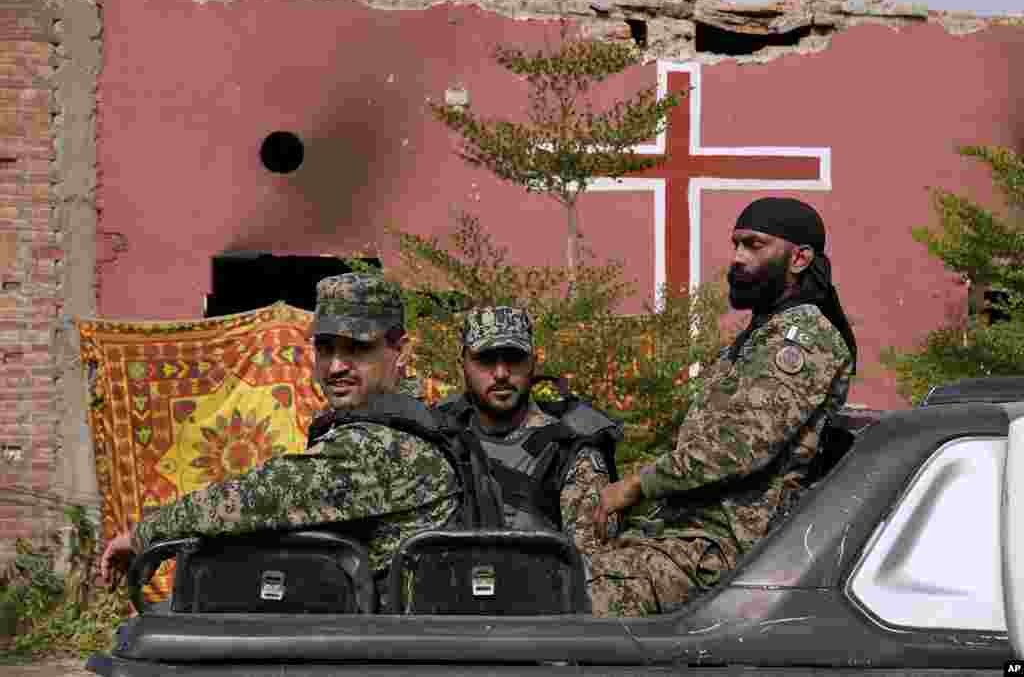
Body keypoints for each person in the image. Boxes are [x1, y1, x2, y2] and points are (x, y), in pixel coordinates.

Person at [98, 273, 464, 586]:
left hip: (381, 638)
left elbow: (255, 498)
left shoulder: (383, 445)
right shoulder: (409, 421)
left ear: (401, 351)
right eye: (325, 348)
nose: (336, 366)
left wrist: (145, 534)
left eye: (357, 348)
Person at [586, 196, 857, 617]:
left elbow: (738, 446)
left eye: (754, 245)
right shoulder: (761, 335)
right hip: (685, 533)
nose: (737, 258)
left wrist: (637, 484)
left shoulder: (803, 339)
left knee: (584, 600)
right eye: (736, 244)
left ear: (799, 258)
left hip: (733, 549)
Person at [437, 306, 622, 563]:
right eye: (486, 359)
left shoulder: (570, 451)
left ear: (533, 362)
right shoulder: (437, 437)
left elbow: (590, 570)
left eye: (514, 358)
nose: (501, 373)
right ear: (463, 365)